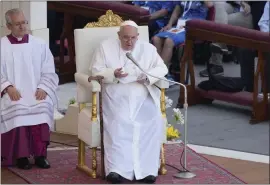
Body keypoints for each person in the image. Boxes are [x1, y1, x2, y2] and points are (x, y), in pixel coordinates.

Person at [90, 20, 168, 184]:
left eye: (133, 38)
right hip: (116, 93)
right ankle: (116, 170)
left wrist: (148, 76)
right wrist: (112, 73)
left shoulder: (148, 49)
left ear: (137, 37)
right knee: (120, 121)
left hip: (142, 93)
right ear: (119, 35)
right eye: (125, 38)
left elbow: (162, 68)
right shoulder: (105, 47)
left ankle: (147, 170)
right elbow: (95, 70)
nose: (129, 42)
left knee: (151, 120)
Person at [1, 8, 59, 170]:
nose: (22, 27)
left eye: (24, 22)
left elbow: (49, 70)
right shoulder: (2, 46)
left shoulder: (39, 44)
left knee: (43, 105)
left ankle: (40, 155)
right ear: (8, 26)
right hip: (13, 93)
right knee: (17, 110)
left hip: (36, 91)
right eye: (17, 24)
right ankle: (22, 157)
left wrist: (44, 87)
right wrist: (8, 87)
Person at [152, 1, 213, 82]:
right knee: (156, 38)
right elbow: (177, 10)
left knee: (169, 41)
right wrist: (169, 24)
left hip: (194, 27)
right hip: (180, 25)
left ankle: (162, 75)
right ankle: (159, 72)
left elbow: (210, 5)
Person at [199, 1, 254, 77]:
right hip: (230, 8)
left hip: (247, 14)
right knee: (218, 6)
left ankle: (217, 61)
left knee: (217, 20)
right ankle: (219, 47)